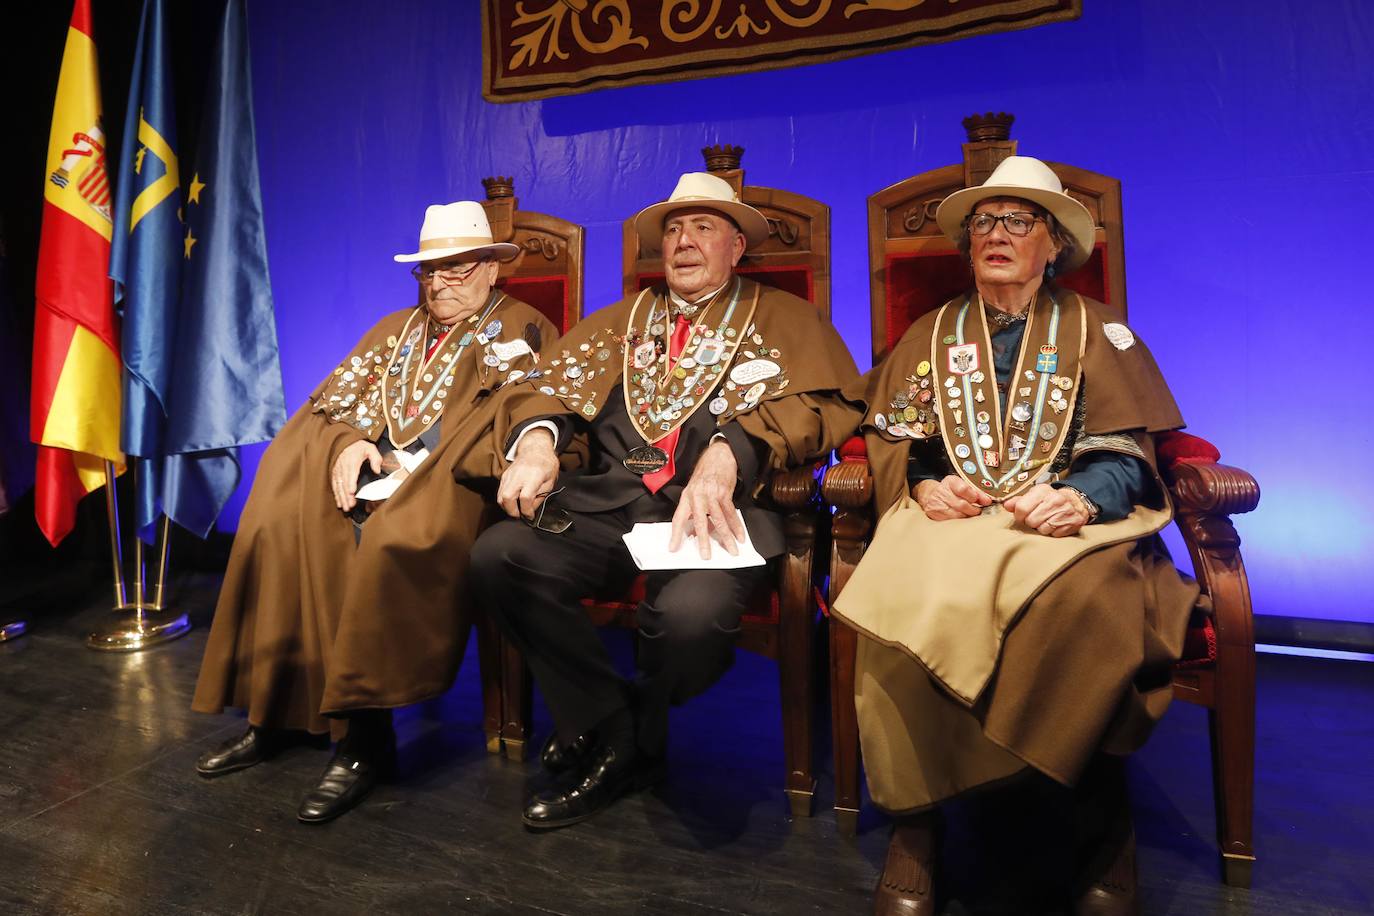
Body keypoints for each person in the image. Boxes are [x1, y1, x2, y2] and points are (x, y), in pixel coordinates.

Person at [831, 157, 1199, 915]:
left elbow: (1129, 448)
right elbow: (898, 433)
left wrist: (1079, 496)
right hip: (952, 516)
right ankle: (917, 827)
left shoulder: (1102, 330)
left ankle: (1102, 828)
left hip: (1065, 521)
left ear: (1053, 243)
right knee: (897, 599)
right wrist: (928, 481)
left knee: (1093, 604)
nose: (997, 236)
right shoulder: (930, 332)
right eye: (983, 224)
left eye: (1017, 221)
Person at [459, 172, 857, 830]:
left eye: (703, 228)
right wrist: (535, 444)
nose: (683, 241)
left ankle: (622, 726)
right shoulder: (623, 321)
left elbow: (822, 404)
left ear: (737, 247)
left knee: (691, 623)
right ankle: (620, 731)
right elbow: (545, 389)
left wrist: (732, 452)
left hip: (721, 510)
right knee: (501, 555)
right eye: (673, 229)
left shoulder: (785, 318)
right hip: (615, 498)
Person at [191, 201, 559, 823]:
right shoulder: (395, 327)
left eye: (457, 267)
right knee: (279, 515)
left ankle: (365, 743)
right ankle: (281, 713)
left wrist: (418, 467)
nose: (439, 282)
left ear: (493, 270)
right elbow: (336, 401)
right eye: (428, 270)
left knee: (377, 535)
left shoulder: (521, 329)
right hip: (377, 475)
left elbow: (525, 412)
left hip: (455, 485)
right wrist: (352, 441)